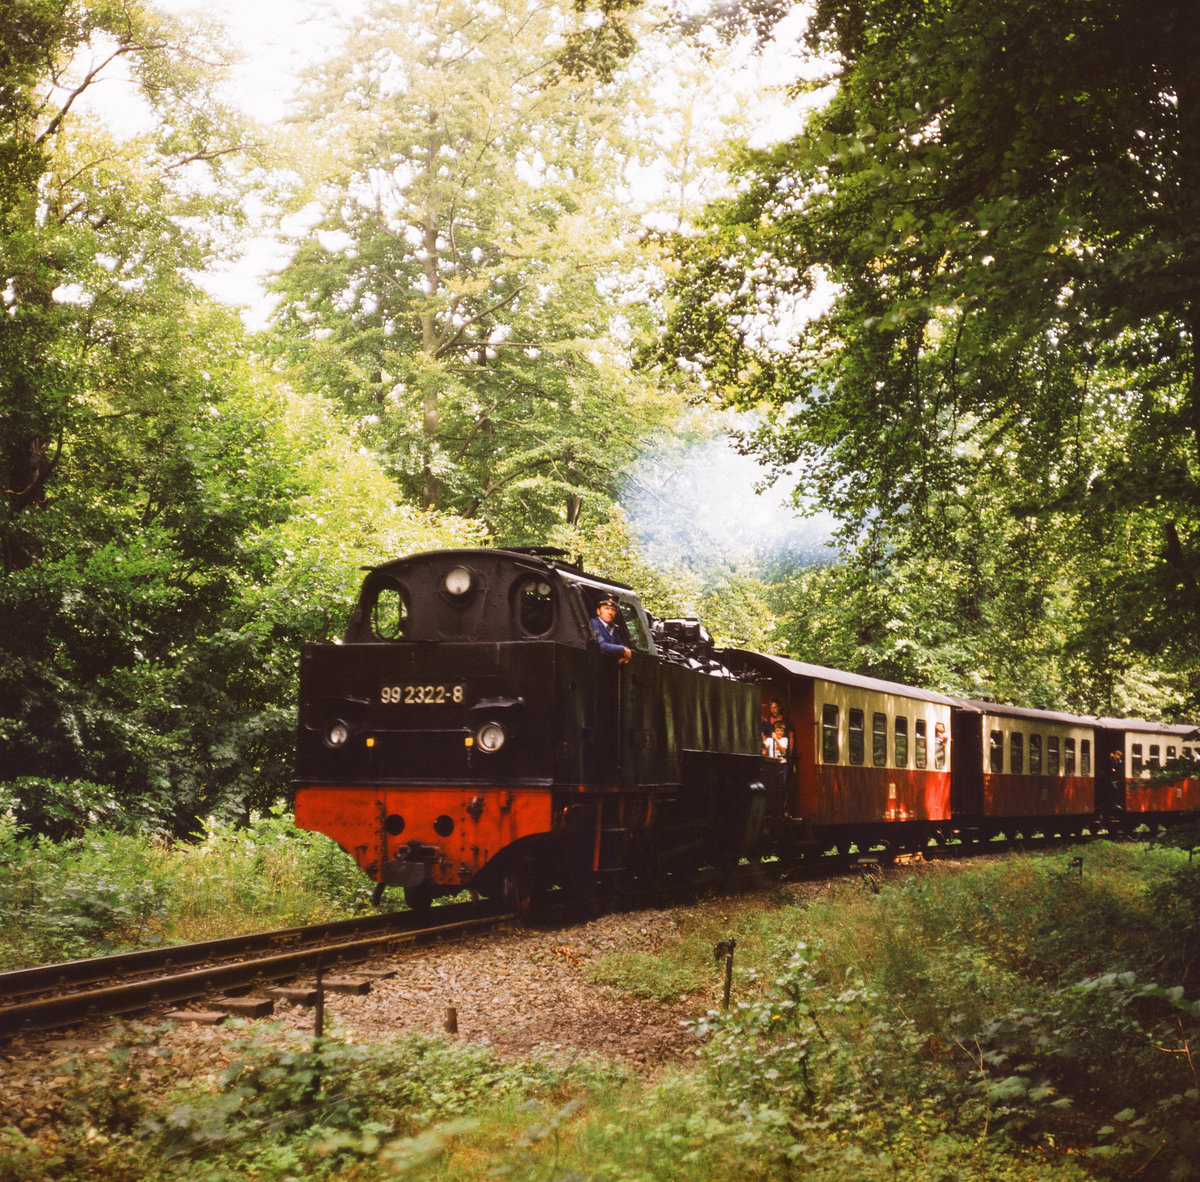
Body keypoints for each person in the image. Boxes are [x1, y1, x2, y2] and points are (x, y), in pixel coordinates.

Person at [591, 594, 631, 664]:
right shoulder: (593, 624)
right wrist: (623, 650)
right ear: (598, 611)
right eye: (606, 608)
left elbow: (620, 644)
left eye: (613, 610)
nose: (610, 612)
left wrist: (625, 651)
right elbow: (601, 646)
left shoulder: (614, 628)